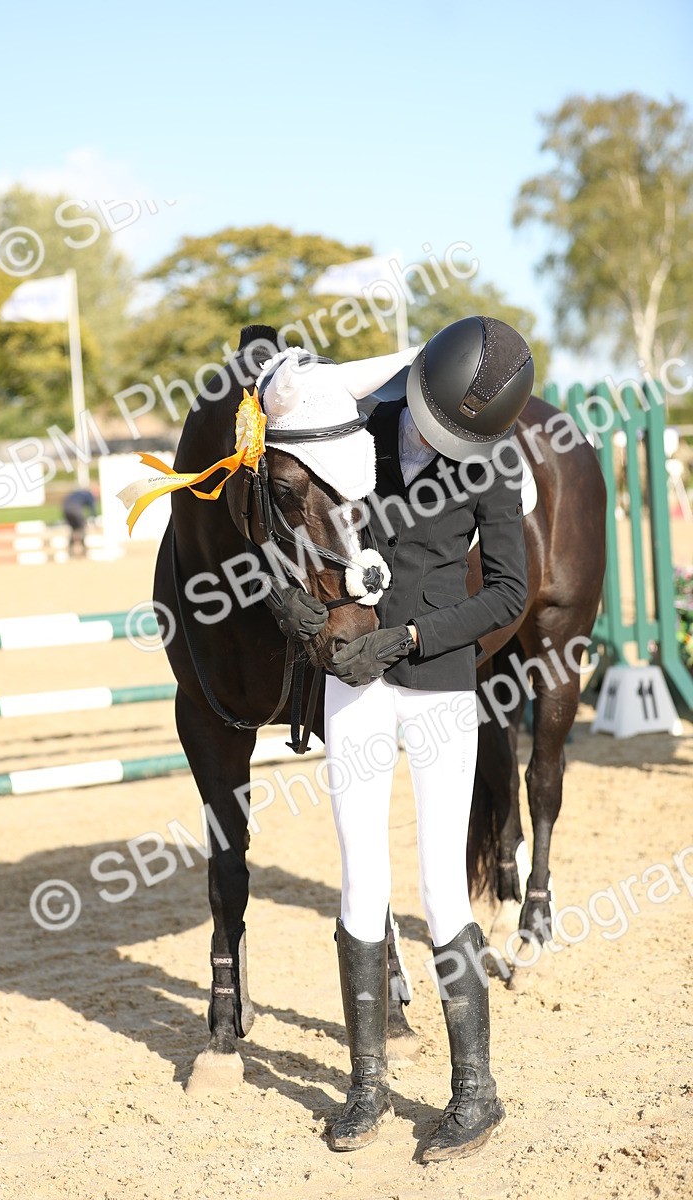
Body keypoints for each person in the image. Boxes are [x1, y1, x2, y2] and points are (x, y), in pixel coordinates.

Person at [260, 317, 534, 1163]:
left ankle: (475, 1094)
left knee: (440, 887)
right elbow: (291, 522)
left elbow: (510, 595)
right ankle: (368, 1085)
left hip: (440, 687)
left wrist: (412, 640)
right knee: (358, 879)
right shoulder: (360, 430)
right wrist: (292, 605)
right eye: (425, 417)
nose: (427, 435)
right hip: (353, 683)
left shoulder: (488, 459)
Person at [62, 486, 98, 557]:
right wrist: (94, 521)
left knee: (73, 529)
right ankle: (84, 550)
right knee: (82, 527)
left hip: (65, 508)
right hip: (75, 508)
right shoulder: (89, 494)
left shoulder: (78, 492)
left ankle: (70, 550)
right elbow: (92, 508)